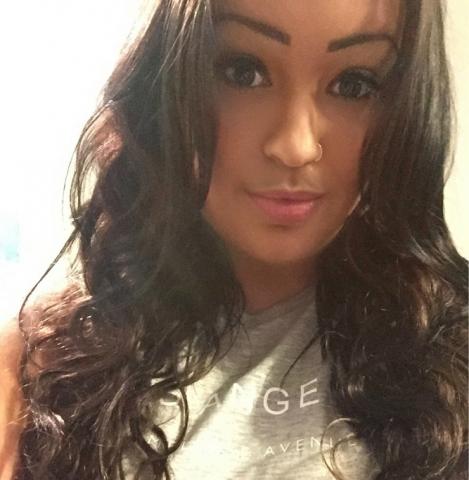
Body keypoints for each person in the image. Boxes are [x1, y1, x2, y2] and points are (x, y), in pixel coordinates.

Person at [0, 0, 467, 478]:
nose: (295, 146)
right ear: (168, 84)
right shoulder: (40, 360)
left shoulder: (452, 359)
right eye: (244, 72)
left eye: (354, 84)